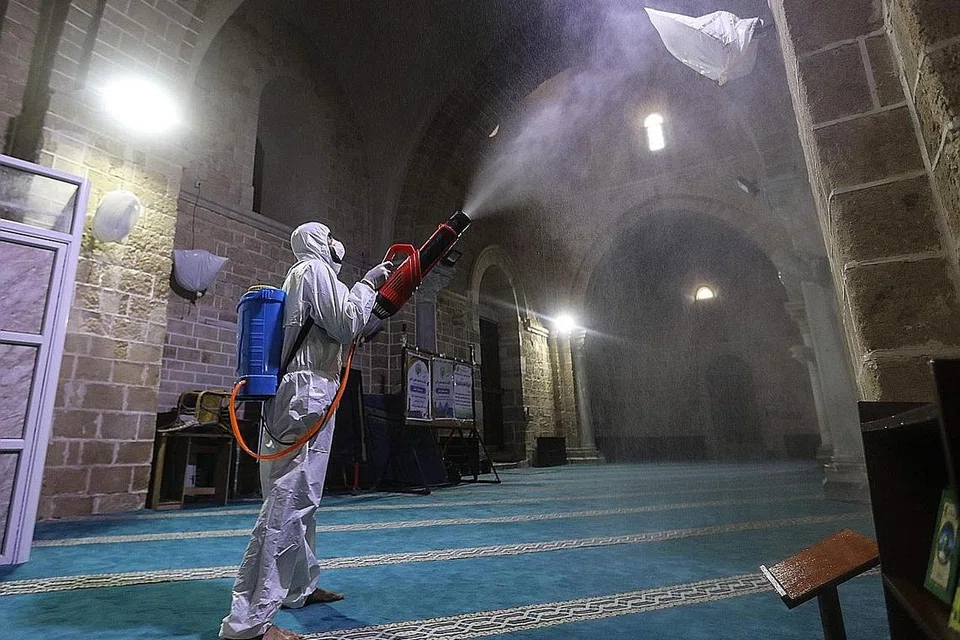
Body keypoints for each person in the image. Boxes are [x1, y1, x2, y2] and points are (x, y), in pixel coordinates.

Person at [219, 222, 392, 640]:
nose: (338, 242)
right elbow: (348, 321)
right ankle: (249, 624)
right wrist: (367, 285)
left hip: (311, 392)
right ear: (318, 242)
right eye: (331, 235)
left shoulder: (312, 277)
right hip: (304, 393)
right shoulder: (312, 271)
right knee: (286, 503)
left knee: (305, 498)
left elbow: (341, 331)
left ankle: (299, 587)